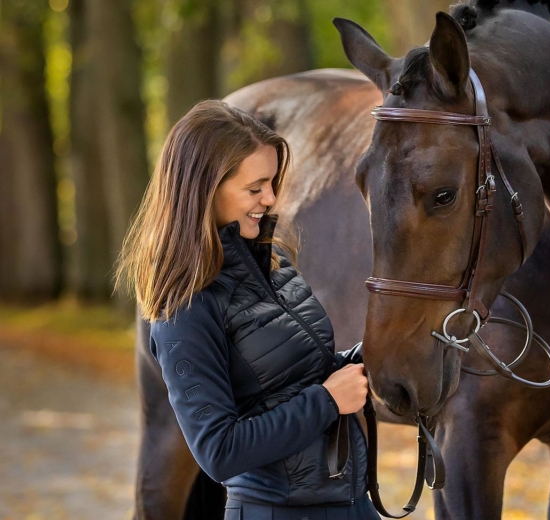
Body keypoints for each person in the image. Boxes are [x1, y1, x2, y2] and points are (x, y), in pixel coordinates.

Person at [115, 99, 380, 520]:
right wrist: (328, 401)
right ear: (205, 189)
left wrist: (370, 355)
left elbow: (298, 376)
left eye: (272, 183)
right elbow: (218, 451)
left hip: (349, 504)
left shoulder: (273, 264)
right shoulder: (184, 307)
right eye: (255, 188)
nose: (271, 198)